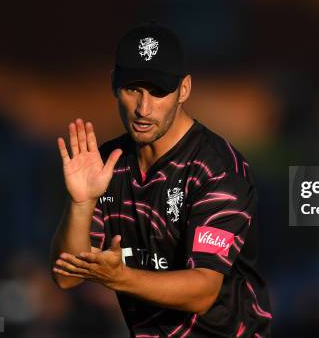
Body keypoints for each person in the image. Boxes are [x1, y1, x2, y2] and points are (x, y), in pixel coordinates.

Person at [50, 22, 272, 337]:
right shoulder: (106, 164)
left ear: (184, 89)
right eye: (132, 90)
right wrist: (81, 203)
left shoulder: (218, 169)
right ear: (114, 84)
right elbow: (67, 277)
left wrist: (119, 278)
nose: (143, 108)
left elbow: (203, 290)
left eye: (158, 92)